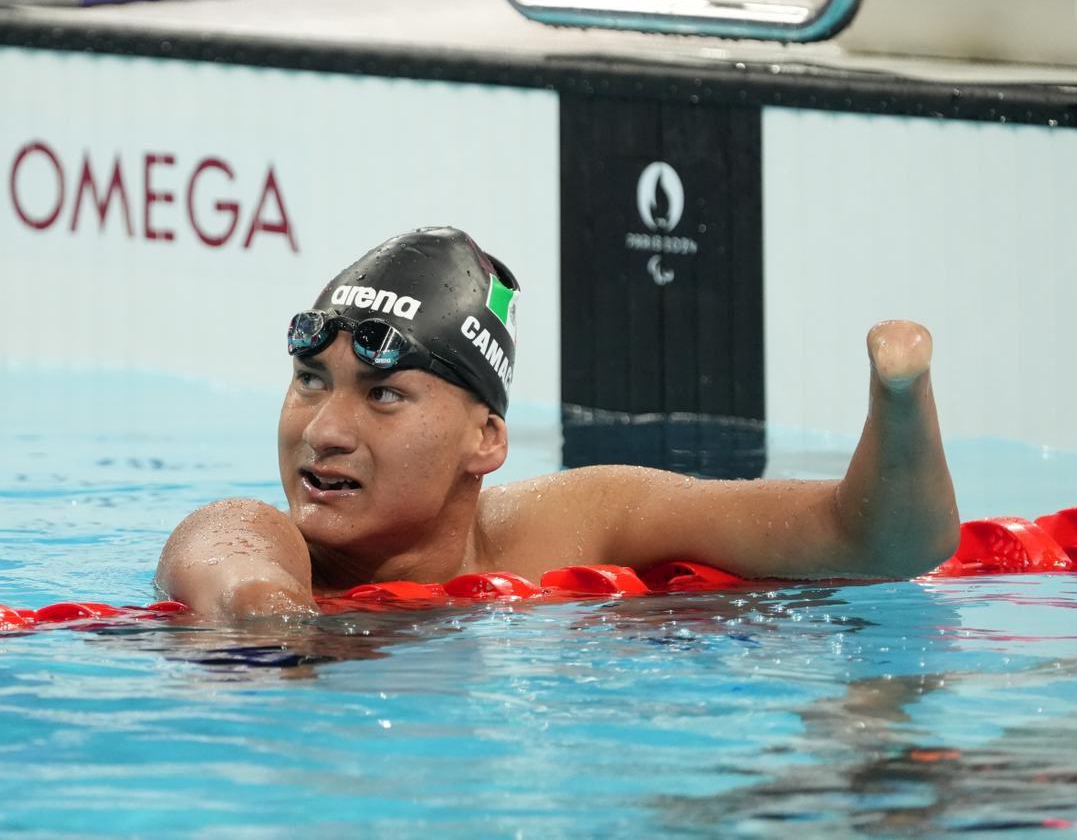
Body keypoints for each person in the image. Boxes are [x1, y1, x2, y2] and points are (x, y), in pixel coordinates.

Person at [156, 227, 959, 620]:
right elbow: (245, 593)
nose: (323, 429)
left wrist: (901, 400)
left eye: (383, 394)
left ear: (487, 440)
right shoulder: (251, 528)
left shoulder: (585, 520)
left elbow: (879, 545)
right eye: (309, 381)